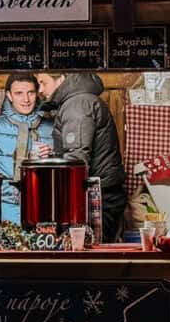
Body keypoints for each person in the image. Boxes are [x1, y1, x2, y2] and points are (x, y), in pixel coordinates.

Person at [36, 72, 126, 242]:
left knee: (90, 259)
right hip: (103, 192)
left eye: (43, 82)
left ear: (61, 78)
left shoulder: (77, 104)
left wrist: (64, 205)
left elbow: (76, 160)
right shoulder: (78, 101)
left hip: (98, 197)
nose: (40, 89)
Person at [0, 73, 54, 224]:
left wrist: (52, 157)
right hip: (6, 211)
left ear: (37, 93)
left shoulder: (51, 126)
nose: (26, 99)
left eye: (30, 92)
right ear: (9, 95)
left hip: (47, 208)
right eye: (19, 93)